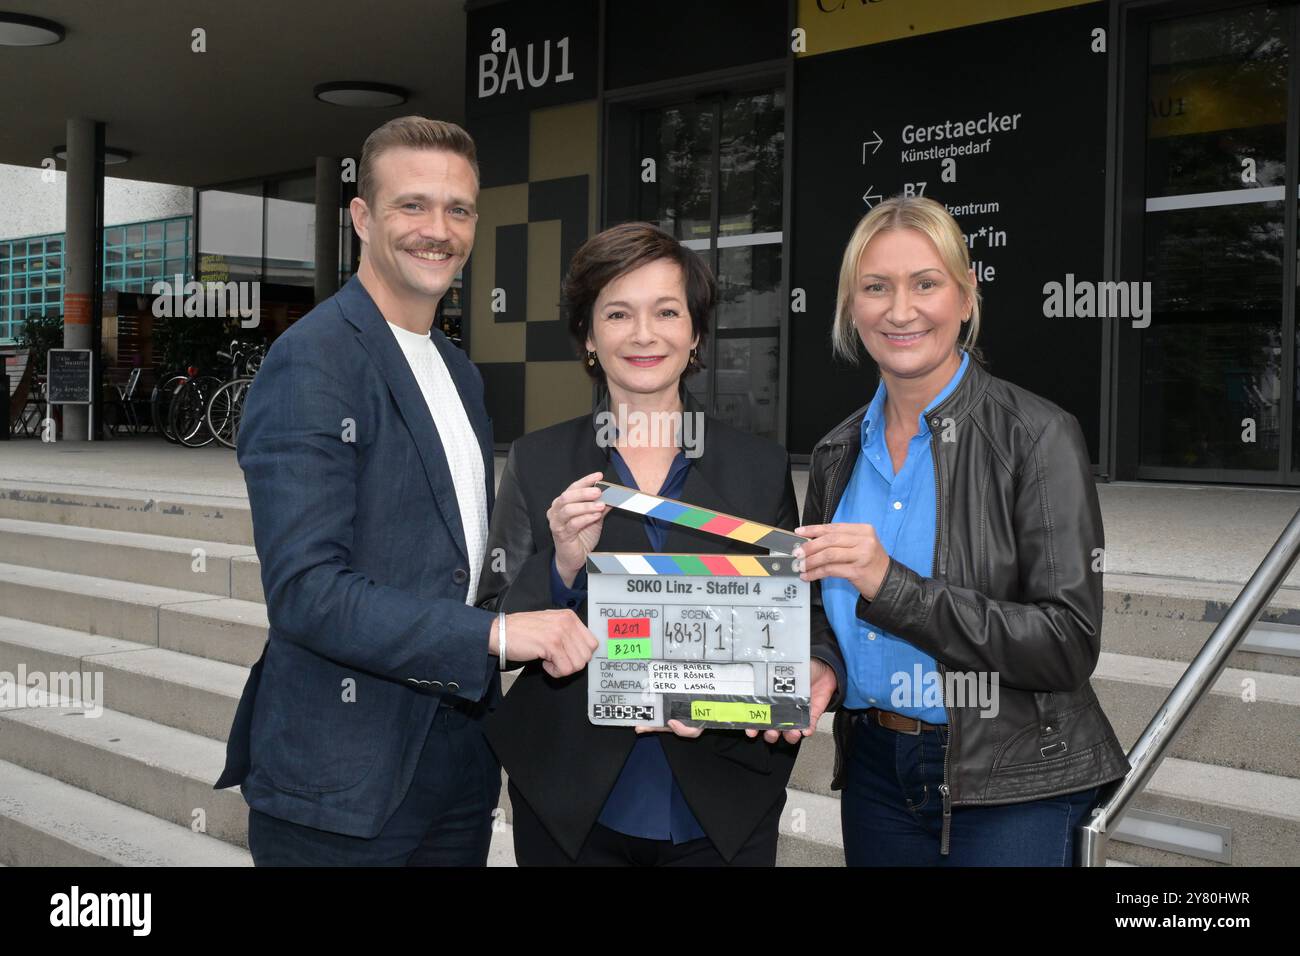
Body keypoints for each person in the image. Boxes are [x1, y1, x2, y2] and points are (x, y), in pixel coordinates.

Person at [214, 116, 596, 866]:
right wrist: (493, 638)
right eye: (412, 205)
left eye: (458, 209)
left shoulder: (457, 371)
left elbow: (460, 576)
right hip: (342, 782)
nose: (438, 230)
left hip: (457, 768)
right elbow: (307, 591)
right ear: (362, 217)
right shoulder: (312, 361)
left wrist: (558, 572)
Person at [476, 222, 846, 866]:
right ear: (589, 336)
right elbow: (490, 628)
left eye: (666, 311)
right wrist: (561, 564)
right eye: (618, 313)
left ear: (695, 333)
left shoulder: (757, 467)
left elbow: (804, 610)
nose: (644, 334)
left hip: (722, 797)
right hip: (572, 803)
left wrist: (817, 664)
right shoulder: (538, 461)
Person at [796, 195, 1129, 866]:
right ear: (850, 308)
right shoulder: (837, 454)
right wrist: (823, 661)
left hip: (1014, 780)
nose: (900, 310)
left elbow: (1066, 642)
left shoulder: (1037, 436)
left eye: (926, 283)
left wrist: (892, 586)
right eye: (875, 288)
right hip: (876, 773)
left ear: (967, 296)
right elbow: (817, 607)